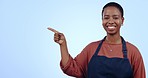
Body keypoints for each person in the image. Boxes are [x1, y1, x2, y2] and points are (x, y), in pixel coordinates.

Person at [48, 2, 146, 78]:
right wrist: (63, 45)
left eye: (115, 17)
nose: (110, 21)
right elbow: (71, 69)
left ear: (122, 20)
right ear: (102, 21)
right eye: (106, 18)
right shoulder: (91, 48)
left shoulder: (133, 52)